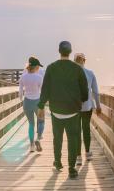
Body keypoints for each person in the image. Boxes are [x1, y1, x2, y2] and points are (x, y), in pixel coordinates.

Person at [36, 40, 89, 179]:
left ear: (59, 51)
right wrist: (80, 101)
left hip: (56, 111)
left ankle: (58, 162)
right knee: (72, 139)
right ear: (70, 52)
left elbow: (45, 89)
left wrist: (41, 106)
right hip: (72, 112)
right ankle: (72, 168)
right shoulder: (77, 69)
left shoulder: (51, 68)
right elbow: (85, 91)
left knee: (57, 138)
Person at [74, 52, 100, 167]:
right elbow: (95, 92)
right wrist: (98, 106)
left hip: (74, 107)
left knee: (76, 131)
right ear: (84, 61)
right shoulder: (90, 73)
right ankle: (88, 153)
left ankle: (78, 157)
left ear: (74, 61)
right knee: (86, 129)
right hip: (87, 106)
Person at [19, 56, 45, 153]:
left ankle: (31, 146)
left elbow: (20, 90)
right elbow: (42, 91)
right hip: (37, 102)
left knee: (31, 124)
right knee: (41, 121)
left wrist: (21, 98)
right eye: (38, 66)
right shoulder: (39, 77)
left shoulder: (23, 77)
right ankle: (38, 139)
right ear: (36, 67)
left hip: (27, 102)